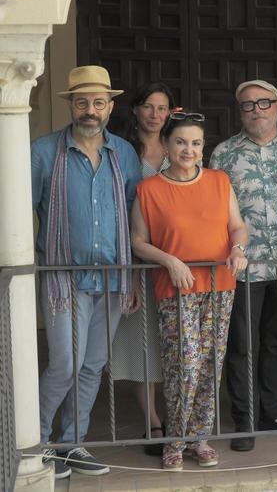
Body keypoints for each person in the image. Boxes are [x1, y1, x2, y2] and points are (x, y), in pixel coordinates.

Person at [32, 65, 142, 478]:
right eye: (82, 102)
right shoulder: (44, 152)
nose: (90, 110)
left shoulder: (124, 154)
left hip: (113, 279)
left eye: (98, 102)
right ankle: (37, 443)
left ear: (110, 107)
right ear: (71, 107)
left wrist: (131, 274)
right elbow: (20, 213)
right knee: (65, 363)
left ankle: (71, 444)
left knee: (94, 364)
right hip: (65, 279)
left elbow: (134, 215)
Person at [129, 110, 248, 470]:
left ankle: (200, 438)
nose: (189, 149)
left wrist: (239, 250)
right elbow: (138, 242)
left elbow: (237, 227)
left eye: (196, 143)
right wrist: (169, 260)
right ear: (166, 145)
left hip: (220, 285)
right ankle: (174, 440)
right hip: (176, 288)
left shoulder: (219, 181)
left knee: (210, 365)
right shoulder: (149, 190)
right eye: (180, 141)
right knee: (185, 364)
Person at [210, 80, 277, 450]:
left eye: (264, 103)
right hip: (243, 266)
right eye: (248, 105)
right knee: (241, 343)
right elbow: (215, 214)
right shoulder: (224, 154)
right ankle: (244, 419)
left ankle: (272, 412)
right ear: (239, 111)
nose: (256, 110)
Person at [111, 82, 173, 455]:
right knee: (141, 341)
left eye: (162, 108)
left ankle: (177, 414)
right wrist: (131, 274)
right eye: (148, 106)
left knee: (173, 343)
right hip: (134, 259)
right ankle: (152, 421)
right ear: (134, 110)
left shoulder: (178, 146)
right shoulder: (119, 151)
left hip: (174, 260)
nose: (154, 114)